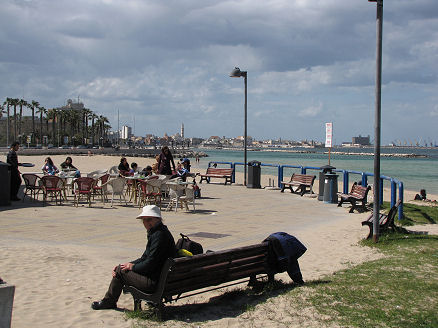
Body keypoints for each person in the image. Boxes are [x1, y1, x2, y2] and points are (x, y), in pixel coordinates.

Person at [91, 205, 176, 310]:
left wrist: (131, 267)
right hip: (165, 280)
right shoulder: (160, 232)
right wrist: (126, 265)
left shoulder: (158, 236)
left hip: (154, 283)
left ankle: (109, 301)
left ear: (158, 219)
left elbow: (149, 263)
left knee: (120, 271)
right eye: (144, 220)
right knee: (121, 268)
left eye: (149, 219)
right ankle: (109, 300)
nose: (146, 223)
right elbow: (145, 257)